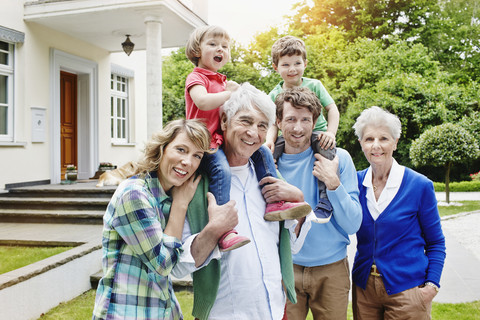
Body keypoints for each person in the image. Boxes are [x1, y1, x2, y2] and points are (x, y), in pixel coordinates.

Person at [173, 83, 316, 320]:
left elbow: (290, 247)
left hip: (275, 311)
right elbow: (178, 266)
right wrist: (213, 231)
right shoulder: (195, 185)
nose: (254, 133)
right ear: (225, 121)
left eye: (262, 126)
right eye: (246, 122)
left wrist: (299, 209)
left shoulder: (271, 180)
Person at [184, 26, 311, 251]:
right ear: (196, 50)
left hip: (218, 138)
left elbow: (294, 247)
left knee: (262, 151)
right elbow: (203, 102)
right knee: (221, 171)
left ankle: (275, 201)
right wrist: (230, 93)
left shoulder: (221, 81)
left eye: (224, 46)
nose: (219, 49)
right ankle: (224, 227)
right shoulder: (197, 77)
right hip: (203, 142)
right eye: (212, 44)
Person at [91, 119, 212, 320]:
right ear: (162, 148)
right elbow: (162, 265)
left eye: (197, 156)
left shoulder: (166, 196)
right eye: (181, 150)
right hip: (125, 313)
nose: (187, 162)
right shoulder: (135, 194)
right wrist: (180, 206)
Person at [274, 87, 362, 320]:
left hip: (331, 269)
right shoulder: (268, 163)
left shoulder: (339, 158)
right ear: (278, 122)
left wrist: (333, 184)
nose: (298, 128)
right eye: (291, 119)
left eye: (305, 120)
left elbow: (353, 224)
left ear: (315, 122)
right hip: (284, 268)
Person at [351, 106, 446, 320]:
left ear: (395, 142)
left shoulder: (419, 185)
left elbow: (436, 242)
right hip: (364, 289)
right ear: (361, 144)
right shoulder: (355, 183)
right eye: (369, 139)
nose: (376, 145)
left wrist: (431, 285)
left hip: (408, 289)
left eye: (384, 138)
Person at [267, 35, 341, 222]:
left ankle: (325, 202)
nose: (292, 69)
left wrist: (331, 132)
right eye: (285, 65)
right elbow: (272, 123)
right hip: (288, 136)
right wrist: (269, 140)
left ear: (305, 64)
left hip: (317, 133)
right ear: (276, 67)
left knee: (326, 155)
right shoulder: (275, 94)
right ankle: (274, 198)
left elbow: (332, 109)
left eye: (297, 63)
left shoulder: (314, 85)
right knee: (267, 156)